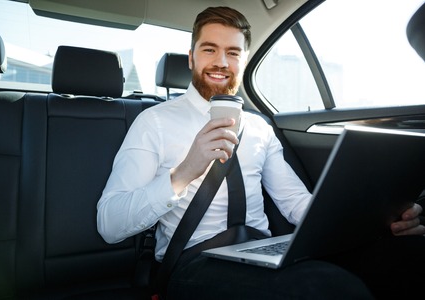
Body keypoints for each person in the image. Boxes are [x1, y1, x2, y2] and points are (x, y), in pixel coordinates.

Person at [97, 6, 425, 299]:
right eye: (209, 49)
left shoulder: (260, 128)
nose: (222, 62)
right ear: (191, 57)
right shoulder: (154, 122)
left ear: (244, 60)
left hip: (262, 250)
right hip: (193, 263)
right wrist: (184, 172)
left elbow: (295, 203)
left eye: (233, 52)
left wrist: (377, 219)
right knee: (328, 289)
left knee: (408, 258)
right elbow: (109, 225)